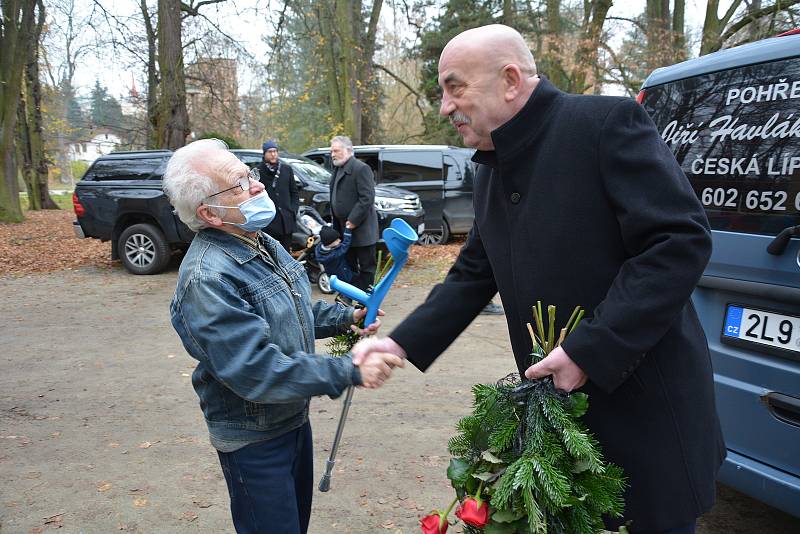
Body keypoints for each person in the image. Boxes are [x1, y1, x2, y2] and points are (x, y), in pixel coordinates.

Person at [353, 24, 724, 534]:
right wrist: (398, 344)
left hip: (646, 421)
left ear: (509, 79)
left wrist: (588, 351)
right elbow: (473, 274)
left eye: (454, 86)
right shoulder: (492, 167)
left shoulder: (604, 123)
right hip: (558, 427)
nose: (444, 107)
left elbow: (678, 241)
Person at [162, 138, 403, 534]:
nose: (257, 186)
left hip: (291, 419)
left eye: (250, 174)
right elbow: (257, 370)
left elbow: (292, 307)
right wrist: (349, 369)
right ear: (209, 213)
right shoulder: (208, 278)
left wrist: (347, 318)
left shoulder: (259, 240)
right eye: (239, 184)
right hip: (254, 440)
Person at [328, 135, 379, 292]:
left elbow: (367, 198)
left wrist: (353, 220)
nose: (332, 154)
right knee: (349, 265)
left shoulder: (361, 168)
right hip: (344, 229)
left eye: (336, 151)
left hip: (361, 229)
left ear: (348, 150)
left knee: (366, 268)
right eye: (331, 151)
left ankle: (367, 301)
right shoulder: (337, 169)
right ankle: (353, 297)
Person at [256, 139, 299, 252]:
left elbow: (294, 192)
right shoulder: (258, 171)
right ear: (264, 153)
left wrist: (293, 210)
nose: (273, 154)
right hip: (269, 224)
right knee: (271, 255)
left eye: (275, 151)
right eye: (270, 151)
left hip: (286, 222)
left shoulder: (286, 169)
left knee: (286, 254)